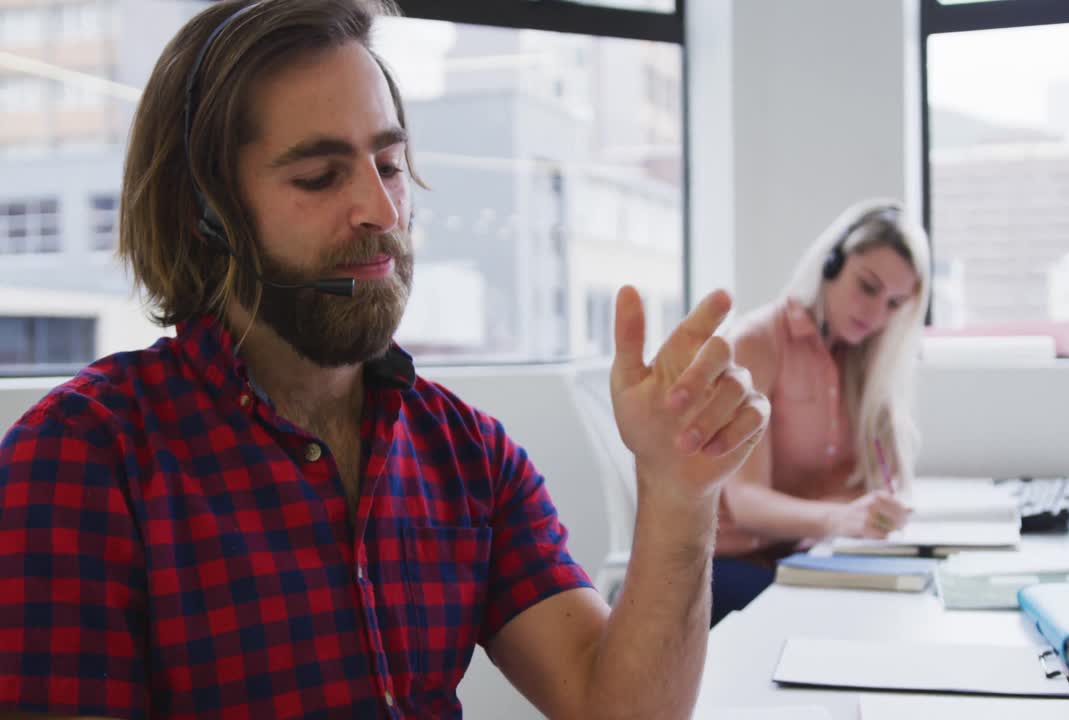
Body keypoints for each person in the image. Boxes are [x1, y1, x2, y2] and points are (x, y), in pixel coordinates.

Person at [0, 1, 769, 718]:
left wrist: (679, 496)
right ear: (205, 214)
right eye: (319, 176)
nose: (381, 210)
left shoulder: (468, 455)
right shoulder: (82, 458)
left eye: (390, 164)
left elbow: (619, 706)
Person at [710, 201, 932, 625]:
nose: (876, 314)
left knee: (909, 605)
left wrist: (880, 508)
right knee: (856, 620)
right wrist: (839, 516)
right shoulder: (757, 342)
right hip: (733, 564)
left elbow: (884, 482)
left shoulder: (862, 359)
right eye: (867, 287)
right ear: (832, 264)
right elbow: (745, 502)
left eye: (894, 304)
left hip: (809, 555)